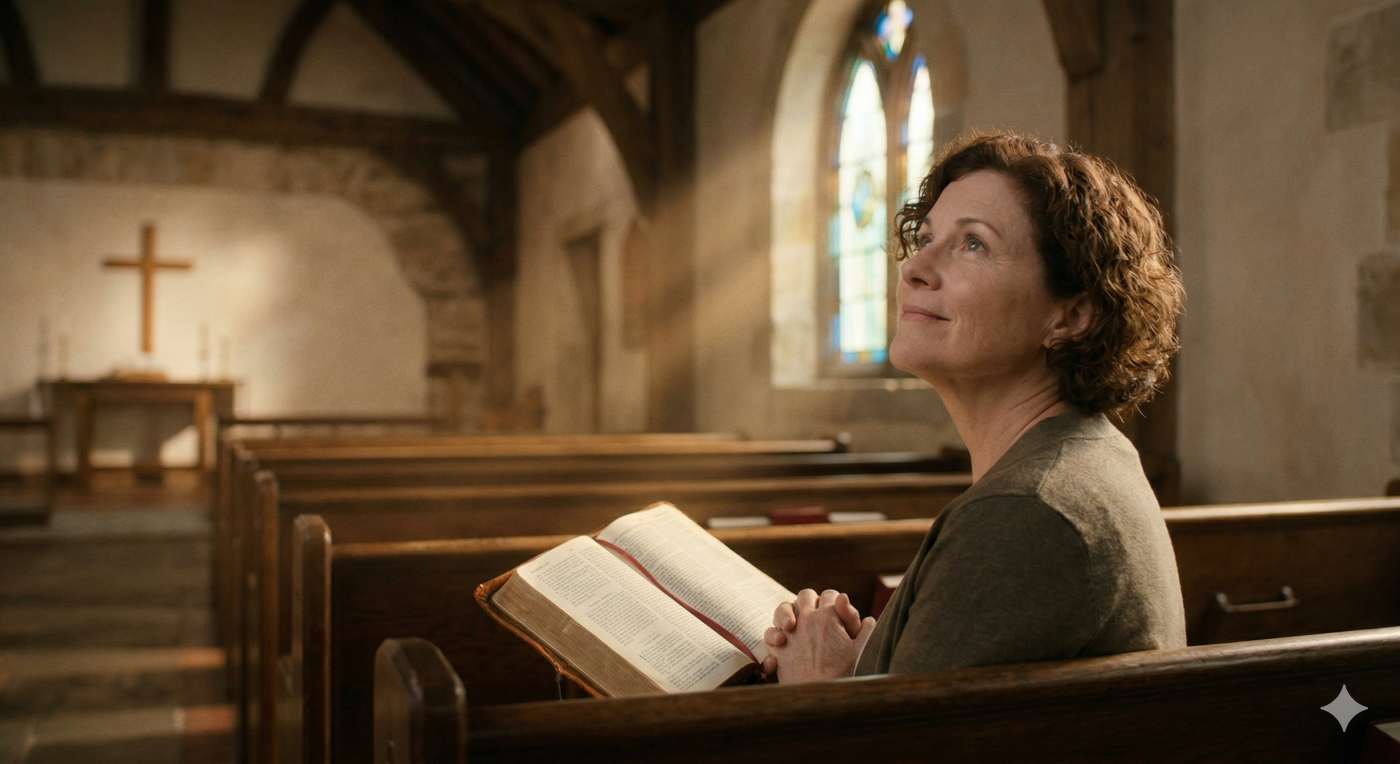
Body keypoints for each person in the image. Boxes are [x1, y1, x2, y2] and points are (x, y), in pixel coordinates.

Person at [762, 131, 1188, 683]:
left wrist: (817, 687)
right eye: (926, 236)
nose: (913, 268)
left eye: (973, 245)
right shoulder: (1080, 457)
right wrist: (869, 668)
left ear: (1072, 316)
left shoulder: (1026, 513)